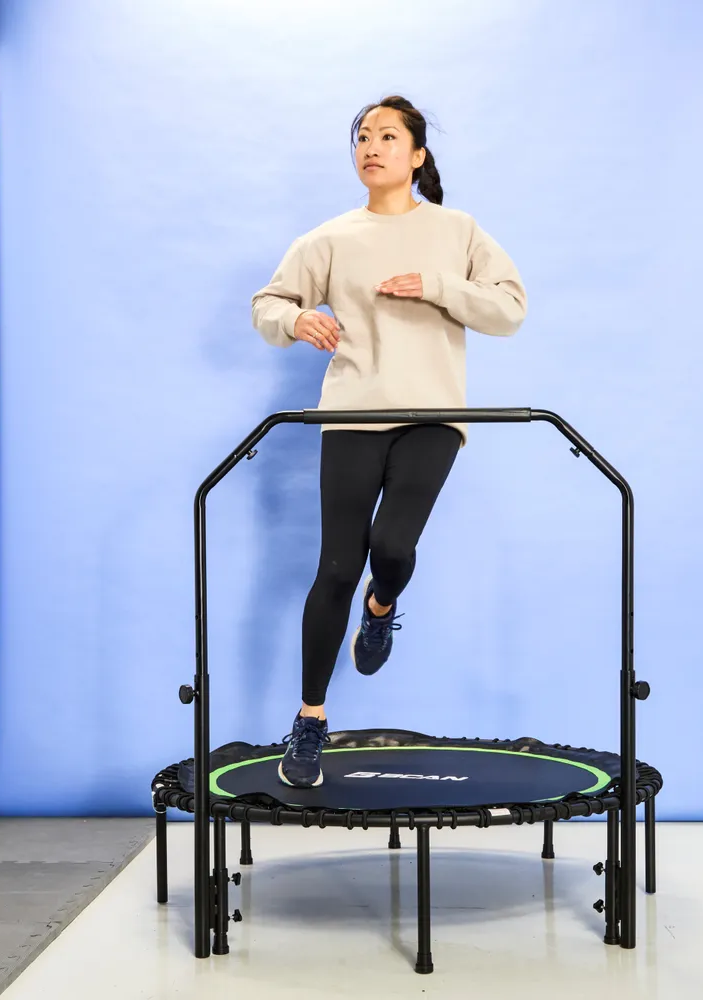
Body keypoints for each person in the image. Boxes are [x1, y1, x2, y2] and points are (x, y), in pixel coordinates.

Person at [250, 95, 527, 788]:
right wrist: (294, 323)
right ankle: (310, 720)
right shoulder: (330, 238)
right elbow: (269, 303)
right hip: (349, 414)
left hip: (431, 414)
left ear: (418, 155)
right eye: (363, 137)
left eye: (388, 136)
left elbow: (510, 309)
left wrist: (438, 287)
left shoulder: (457, 230)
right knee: (337, 568)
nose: (372, 146)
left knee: (393, 549)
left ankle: (382, 607)